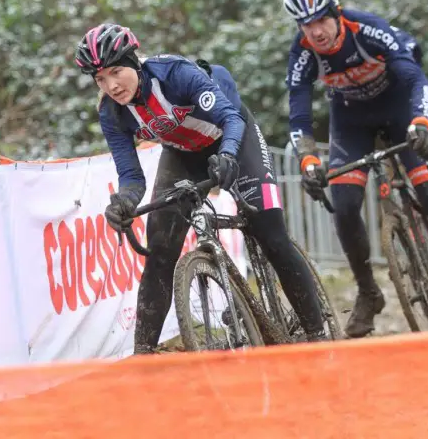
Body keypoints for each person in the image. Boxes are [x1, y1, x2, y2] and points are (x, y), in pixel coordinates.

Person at [73, 23, 328, 354]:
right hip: (183, 156)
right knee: (160, 252)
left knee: (273, 237)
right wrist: (123, 202)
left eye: (115, 72)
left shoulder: (174, 73)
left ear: (134, 61)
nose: (111, 85)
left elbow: (231, 120)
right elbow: (132, 176)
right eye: (100, 79)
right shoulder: (111, 112)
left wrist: (226, 155)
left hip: (235, 138)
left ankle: (319, 334)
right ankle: (144, 357)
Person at [281, 0, 428, 337]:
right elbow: (299, 113)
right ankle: (368, 292)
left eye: (320, 20)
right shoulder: (302, 52)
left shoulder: (367, 28)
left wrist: (421, 123)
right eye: (305, 24)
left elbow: (415, 79)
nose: (315, 31)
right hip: (351, 119)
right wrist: (308, 159)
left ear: (335, 12)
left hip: (398, 109)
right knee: (344, 204)